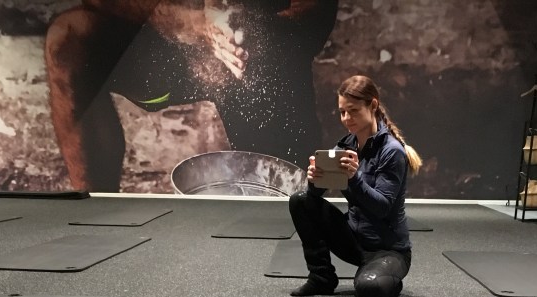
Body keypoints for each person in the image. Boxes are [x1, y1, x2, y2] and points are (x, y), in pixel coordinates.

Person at [45, 0, 338, 192]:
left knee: (290, 198)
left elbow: (315, 15)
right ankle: (94, 211)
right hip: (165, 45)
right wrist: (191, 23)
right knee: (69, 39)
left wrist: (257, 34)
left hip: (253, 49)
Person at [288, 75, 422, 297]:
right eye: (342, 112)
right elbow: (315, 196)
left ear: (373, 105)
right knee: (300, 201)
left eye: (353, 111)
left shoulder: (392, 151)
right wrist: (314, 179)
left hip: (388, 250)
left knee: (369, 289)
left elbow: (382, 208)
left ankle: (386, 279)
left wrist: (354, 179)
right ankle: (322, 277)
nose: (346, 118)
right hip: (354, 242)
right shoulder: (345, 146)